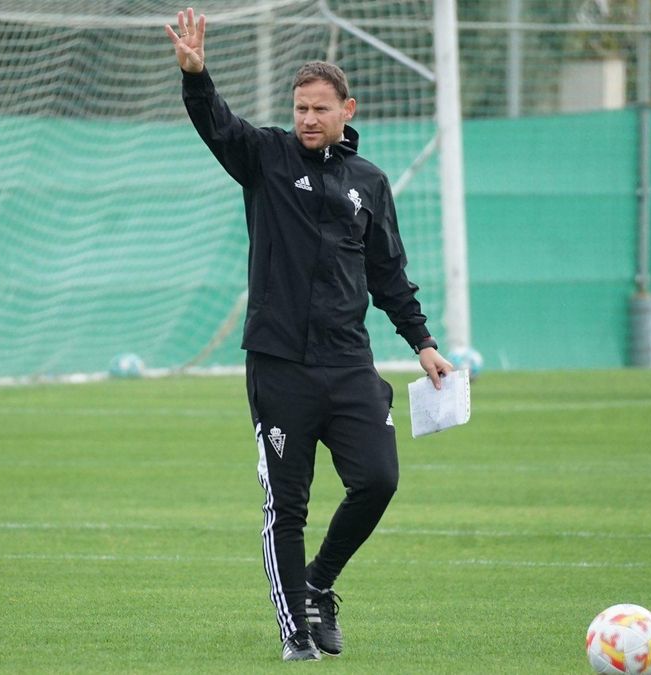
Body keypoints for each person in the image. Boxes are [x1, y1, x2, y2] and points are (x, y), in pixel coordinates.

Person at [166, 8, 454, 662]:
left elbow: (389, 275)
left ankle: (320, 582)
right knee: (286, 507)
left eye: (320, 108)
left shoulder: (370, 184)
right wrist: (197, 77)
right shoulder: (266, 158)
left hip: (350, 364)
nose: (307, 119)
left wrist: (424, 343)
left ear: (346, 110)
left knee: (378, 479)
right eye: (300, 107)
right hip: (280, 367)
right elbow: (220, 127)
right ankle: (297, 633)